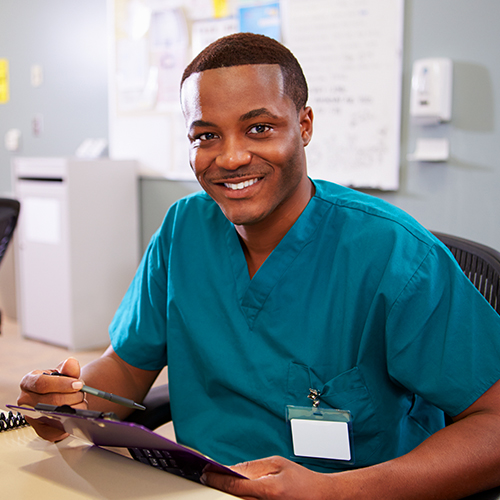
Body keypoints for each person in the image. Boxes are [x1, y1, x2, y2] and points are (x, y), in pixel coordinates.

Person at [18, 33, 500, 499]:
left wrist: (336, 492)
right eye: (206, 135)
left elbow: (494, 424)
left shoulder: (395, 255)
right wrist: (68, 399)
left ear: (305, 125)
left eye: (259, 128)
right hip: (199, 487)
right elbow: (126, 366)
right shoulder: (183, 230)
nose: (230, 157)